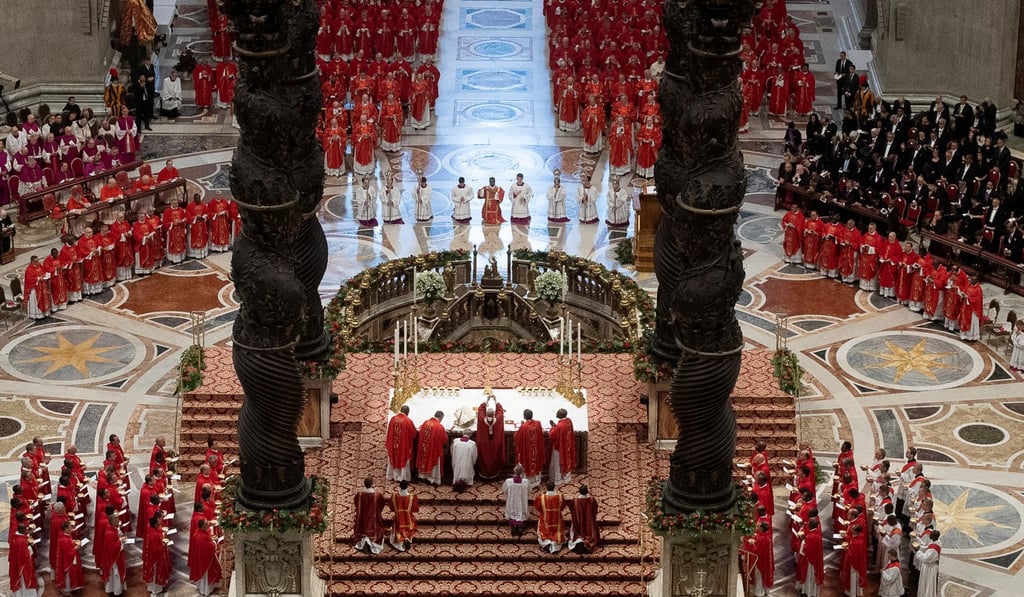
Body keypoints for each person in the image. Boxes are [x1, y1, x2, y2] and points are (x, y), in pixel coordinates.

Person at [475, 393, 505, 480]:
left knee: (485, 458)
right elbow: (500, 411)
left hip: (484, 443)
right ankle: (494, 472)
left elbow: (480, 410)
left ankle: (484, 472)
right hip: (495, 442)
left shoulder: (482, 419)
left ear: (486, 414)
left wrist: (486, 401)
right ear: (494, 414)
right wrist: (496, 401)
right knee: (494, 457)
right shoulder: (498, 419)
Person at [353, 478, 386, 554]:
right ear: (372, 484)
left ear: (364, 484)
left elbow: (356, 503)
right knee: (377, 531)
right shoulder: (377, 496)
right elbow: (382, 504)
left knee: (362, 532)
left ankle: (364, 542)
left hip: (363, 519)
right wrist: (377, 511)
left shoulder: (360, 494)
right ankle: (370, 543)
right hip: (373, 519)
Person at [189, 518, 221, 595]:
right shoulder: (201, 537)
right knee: (206, 575)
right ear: (202, 526)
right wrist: (214, 542)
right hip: (205, 560)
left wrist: (211, 540)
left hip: (199, 558)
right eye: (206, 524)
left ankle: (203, 588)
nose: (208, 525)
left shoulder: (198, 532)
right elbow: (209, 548)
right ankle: (207, 590)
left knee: (202, 576)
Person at [514, 409, 545, 488]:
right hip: (536, 451)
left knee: (527, 464)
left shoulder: (524, 427)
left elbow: (517, 437)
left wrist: (521, 426)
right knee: (535, 464)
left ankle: (528, 483)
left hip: (527, 452)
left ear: (524, 416)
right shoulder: (538, 424)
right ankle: (536, 482)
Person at [386, 405, 417, 482]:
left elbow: (389, 432)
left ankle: (392, 475)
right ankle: (402, 477)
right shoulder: (408, 421)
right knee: (403, 459)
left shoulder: (393, 419)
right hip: (403, 446)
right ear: (407, 412)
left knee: (393, 457)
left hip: (393, 445)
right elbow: (414, 434)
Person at [54, 520, 85, 595]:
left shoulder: (65, 536)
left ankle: (72, 588)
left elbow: (69, 542)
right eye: (70, 527)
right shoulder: (64, 540)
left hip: (71, 560)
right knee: (69, 577)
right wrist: (76, 548)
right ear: (66, 529)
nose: (72, 528)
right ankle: (68, 590)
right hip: (69, 563)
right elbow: (68, 554)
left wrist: (73, 542)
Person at [566, 484, 599, 554]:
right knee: (592, 527)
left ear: (579, 491)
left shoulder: (575, 501)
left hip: (578, 524)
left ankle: (580, 542)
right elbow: (595, 511)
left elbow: (571, 510)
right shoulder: (592, 500)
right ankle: (587, 542)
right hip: (589, 524)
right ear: (587, 491)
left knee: (575, 530)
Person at [416, 411, 447, 485]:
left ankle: (423, 477)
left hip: (424, 448)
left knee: (424, 460)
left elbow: (420, 432)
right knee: (432, 462)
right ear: (441, 417)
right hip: (433, 451)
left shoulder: (425, 423)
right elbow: (444, 439)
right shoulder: (440, 427)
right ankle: (433, 479)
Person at [535, 481, 566, 553]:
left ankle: (547, 543)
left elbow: (537, 507)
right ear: (554, 487)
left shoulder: (541, 497)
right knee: (557, 533)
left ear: (546, 488)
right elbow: (563, 507)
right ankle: (555, 545)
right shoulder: (560, 497)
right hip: (557, 519)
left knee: (543, 533)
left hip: (545, 520)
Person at [796, 518, 823, 597]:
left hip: (810, 561)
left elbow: (807, 549)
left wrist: (803, 541)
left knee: (809, 576)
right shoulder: (816, 533)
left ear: (810, 526)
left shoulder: (812, 536)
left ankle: (808, 591)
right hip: (815, 560)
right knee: (811, 576)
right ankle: (811, 591)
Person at [501, 464, 530, 539]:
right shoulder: (526, 482)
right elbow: (529, 491)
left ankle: (514, 527)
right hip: (521, 501)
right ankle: (520, 527)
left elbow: (504, 490)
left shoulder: (508, 481)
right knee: (521, 510)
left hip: (512, 500)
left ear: (514, 472)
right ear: (522, 472)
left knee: (512, 510)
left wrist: (510, 494)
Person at [548, 408, 576, 485]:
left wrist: (553, 427)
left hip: (560, 448)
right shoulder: (569, 421)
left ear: (560, 415)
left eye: (557, 413)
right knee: (566, 461)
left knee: (557, 463)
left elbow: (552, 436)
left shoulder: (559, 426)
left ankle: (558, 480)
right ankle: (566, 478)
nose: (556, 413)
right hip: (567, 446)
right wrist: (555, 426)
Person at [745, 521, 773, 597]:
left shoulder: (763, 539)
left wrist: (751, 543)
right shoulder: (766, 535)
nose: (757, 528)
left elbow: (757, 551)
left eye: (759, 527)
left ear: (762, 528)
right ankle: (763, 590)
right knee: (761, 576)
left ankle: (759, 592)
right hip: (764, 559)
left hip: (760, 560)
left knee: (758, 576)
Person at [23, 255, 52, 320]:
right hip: (34, 289)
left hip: (42, 286)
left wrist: (44, 274)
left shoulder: (39, 265)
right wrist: (38, 278)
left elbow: (43, 271)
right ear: (32, 262)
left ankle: (45, 313)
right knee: (37, 301)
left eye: (38, 260)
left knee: (44, 299)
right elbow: (29, 280)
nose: (38, 262)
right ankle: (37, 315)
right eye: (36, 261)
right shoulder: (29, 269)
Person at [914, 529, 941, 597]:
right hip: (928, 566)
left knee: (927, 584)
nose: (929, 535)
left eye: (931, 534)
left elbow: (926, 558)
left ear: (934, 537)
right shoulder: (935, 543)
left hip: (930, 568)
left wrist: (918, 551)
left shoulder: (934, 549)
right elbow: (927, 548)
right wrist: (919, 547)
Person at [958, 275, 983, 342]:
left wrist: (967, 298)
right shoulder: (968, 285)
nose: (970, 281)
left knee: (972, 323)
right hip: (966, 307)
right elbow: (964, 291)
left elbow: (976, 300)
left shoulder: (978, 289)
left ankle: (971, 337)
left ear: (976, 281)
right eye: (971, 279)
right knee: (964, 320)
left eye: (972, 280)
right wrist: (962, 294)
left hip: (973, 310)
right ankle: (964, 335)